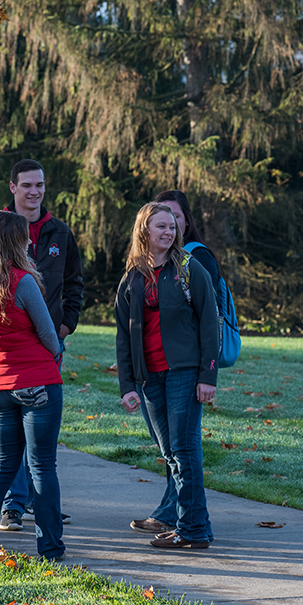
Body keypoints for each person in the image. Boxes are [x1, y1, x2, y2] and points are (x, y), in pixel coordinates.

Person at [0, 211, 66, 561]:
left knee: (4, 464)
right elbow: (49, 334)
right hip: (36, 382)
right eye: (24, 238)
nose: (30, 242)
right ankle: (50, 547)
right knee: (42, 467)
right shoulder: (22, 282)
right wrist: (57, 352)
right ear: (11, 242)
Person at [116, 202, 219, 549]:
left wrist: (208, 376)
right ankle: (196, 526)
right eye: (160, 226)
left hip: (185, 373)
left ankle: (191, 530)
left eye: (172, 226)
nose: (168, 232)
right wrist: (127, 384)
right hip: (150, 378)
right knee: (172, 454)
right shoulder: (132, 276)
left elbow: (209, 321)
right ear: (144, 231)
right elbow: (123, 335)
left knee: (185, 450)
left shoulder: (188, 268)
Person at [0, 159, 84, 532]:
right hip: (11, 345)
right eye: (27, 185)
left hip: (49, 345)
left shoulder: (59, 233)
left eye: (40, 185)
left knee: (41, 433)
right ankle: (11, 506)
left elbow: (74, 282)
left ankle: (40, 502)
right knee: (13, 432)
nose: (35, 191)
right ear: (13, 187)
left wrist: (65, 325)